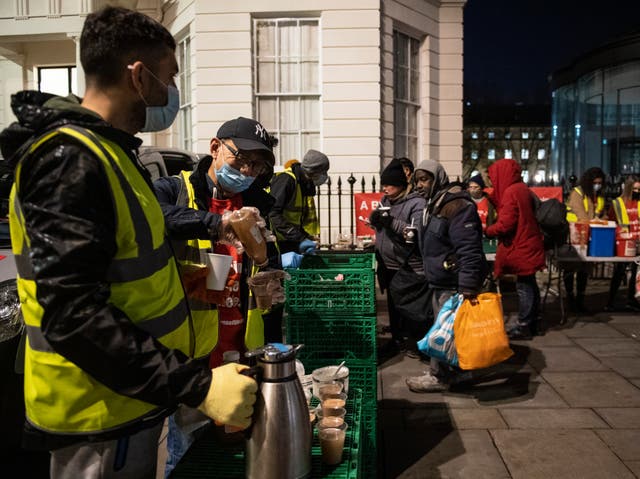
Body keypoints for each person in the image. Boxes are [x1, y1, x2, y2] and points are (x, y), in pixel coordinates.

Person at [0, 7, 257, 478]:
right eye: (169, 77)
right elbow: (72, 314)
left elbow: (123, 267)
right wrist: (196, 385)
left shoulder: (113, 155)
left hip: (131, 398)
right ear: (138, 76)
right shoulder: (70, 161)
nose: (172, 92)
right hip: (96, 413)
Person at [154, 117, 281, 475]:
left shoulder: (257, 204)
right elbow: (151, 215)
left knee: (238, 450)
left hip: (243, 347)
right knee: (188, 452)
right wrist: (216, 224)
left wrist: (272, 280)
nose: (248, 170)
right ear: (215, 147)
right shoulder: (176, 190)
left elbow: (262, 268)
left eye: (257, 165)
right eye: (241, 160)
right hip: (194, 353)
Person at [405, 160, 488, 392]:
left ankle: (439, 376)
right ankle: (455, 373)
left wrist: (468, 284)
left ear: (437, 178)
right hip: (441, 278)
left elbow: (469, 248)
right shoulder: (435, 203)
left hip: (453, 281)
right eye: (417, 180)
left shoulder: (457, 205)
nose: (420, 185)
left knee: (444, 331)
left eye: (425, 179)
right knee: (447, 329)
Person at [368, 158, 426, 355]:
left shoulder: (416, 203)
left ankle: (417, 344)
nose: (384, 188)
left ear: (400, 184)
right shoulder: (386, 201)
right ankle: (396, 341)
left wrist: (391, 222)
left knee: (411, 308)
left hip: (407, 265)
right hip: (387, 265)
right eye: (383, 183)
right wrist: (375, 221)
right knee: (393, 306)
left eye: (388, 184)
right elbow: (380, 224)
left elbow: (414, 233)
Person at [484, 159, 546, 339]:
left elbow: (505, 224)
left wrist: (488, 231)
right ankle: (532, 322)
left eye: (493, 177)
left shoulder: (511, 192)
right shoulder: (521, 189)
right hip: (529, 242)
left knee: (524, 286)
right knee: (530, 283)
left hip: (521, 245)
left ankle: (524, 325)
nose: (491, 181)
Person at [268, 149, 329, 254]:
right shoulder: (287, 180)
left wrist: (305, 237)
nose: (324, 177)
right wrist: (300, 239)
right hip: (275, 242)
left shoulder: (300, 184)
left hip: (287, 240)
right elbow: (272, 213)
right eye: (322, 173)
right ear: (313, 172)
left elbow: (294, 221)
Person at [564, 167, 606, 312]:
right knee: (570, 268)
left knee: (584, 270)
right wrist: (596, 222)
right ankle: (570, 298)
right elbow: (582, 215)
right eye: (595, 182)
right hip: (574, 236)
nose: (598, 185)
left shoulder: (598, 196)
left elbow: (601, 214)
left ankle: (580, 300)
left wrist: (602, 221)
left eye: (600, 183)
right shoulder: (578, 193)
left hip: (589, 236)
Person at [605, 175, 640, 312]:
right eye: (636, 189)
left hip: (638, 241)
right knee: (619, 272)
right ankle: (611, 301)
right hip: (624, 242)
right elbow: (612, 221)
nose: (638, 191)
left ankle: (631, 299)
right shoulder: (618, 203)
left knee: (635, 272)